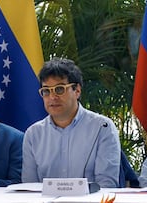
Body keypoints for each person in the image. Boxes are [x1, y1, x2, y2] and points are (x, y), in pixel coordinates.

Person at [21, 57, 121, 188]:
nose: (52, 97)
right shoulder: (34, 134)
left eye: (60, 89)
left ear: (77, 90)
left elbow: (106, 186)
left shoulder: (102, 128)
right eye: (46, 91)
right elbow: (30, 188)